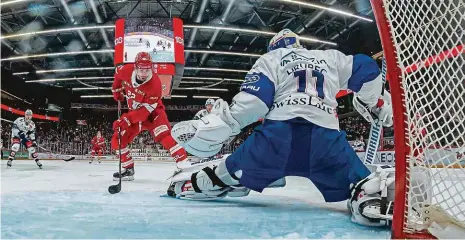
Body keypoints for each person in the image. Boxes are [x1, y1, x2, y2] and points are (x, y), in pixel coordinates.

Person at [169, 29, 399, 227]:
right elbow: (368, 68)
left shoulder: (271, 59)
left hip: (275, 140)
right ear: (299, 44)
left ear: (273, 48)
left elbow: (254, 105)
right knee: (363, 182)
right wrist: (373, 103)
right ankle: (366, 196)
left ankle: (202, 182)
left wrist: (219, 127)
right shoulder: (329, 57)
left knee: (228, 170)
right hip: (326, 143)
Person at [111, 52, 188, 181]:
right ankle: (128, 169)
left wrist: (126, 119)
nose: (144, 73)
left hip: (152, 114)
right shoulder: (125, 70)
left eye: (147, 69)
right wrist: (117, 89)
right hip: (134, 114)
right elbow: (117, 76)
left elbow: (144, 112)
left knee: (165, 136)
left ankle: (185, 166)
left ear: (151, 68)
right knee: (117, 140)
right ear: (135, 67)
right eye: (141, 69)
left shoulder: (155, 84)